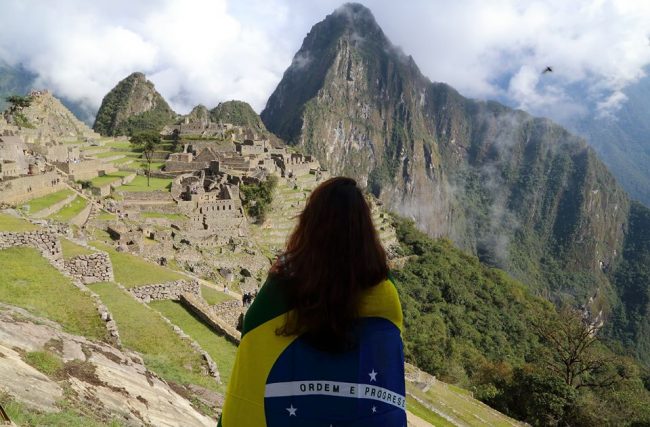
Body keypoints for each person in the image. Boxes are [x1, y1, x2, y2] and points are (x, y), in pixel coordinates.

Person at [218, 177, 406, 427]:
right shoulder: (381, 284)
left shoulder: (286, 278)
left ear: (311, 221)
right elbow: (387, 353)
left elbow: (255, 340)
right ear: (364, 228)